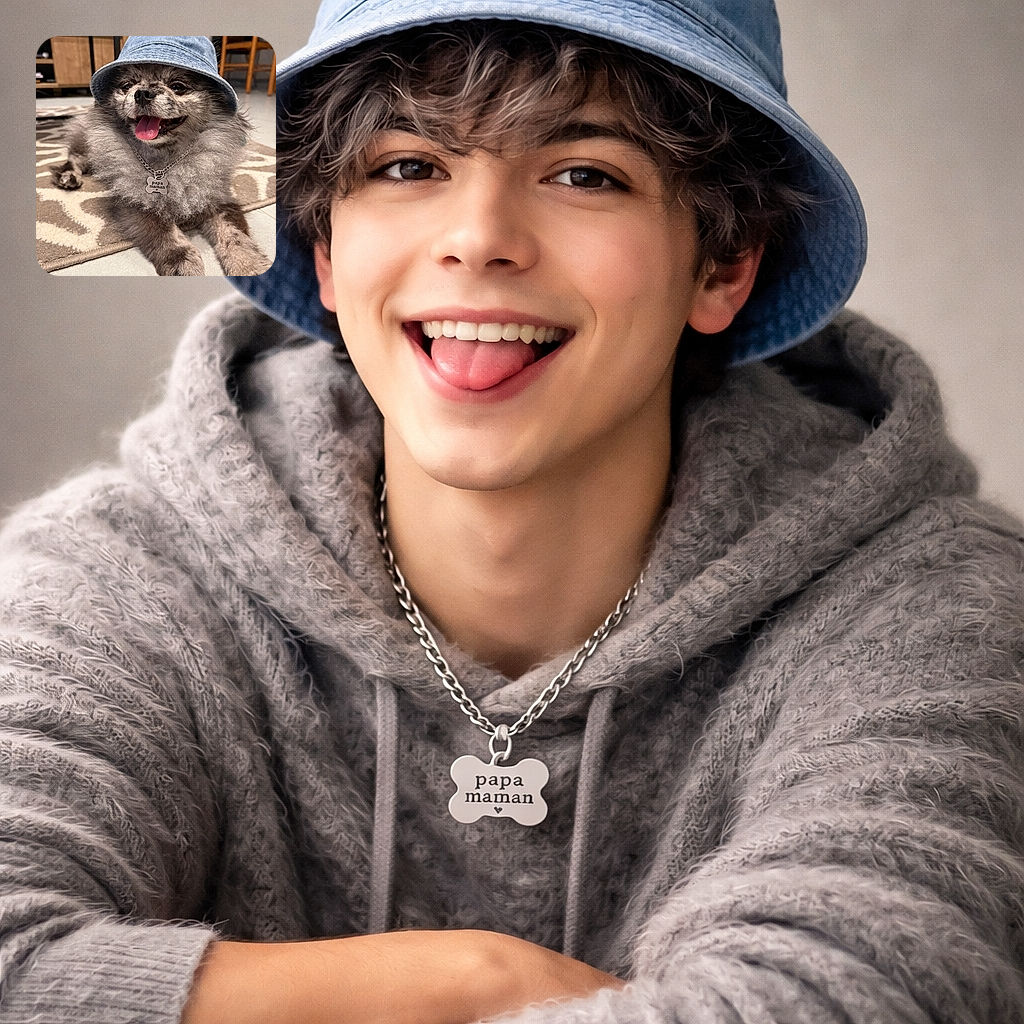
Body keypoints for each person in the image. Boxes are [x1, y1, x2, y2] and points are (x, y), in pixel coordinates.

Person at [2, 1, 1022, 1022]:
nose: (478, 240)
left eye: (585, 173)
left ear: (723, 263)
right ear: (320, 246)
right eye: (406, 165)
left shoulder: (945, 612)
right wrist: (472, 979)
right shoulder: (112, 572)